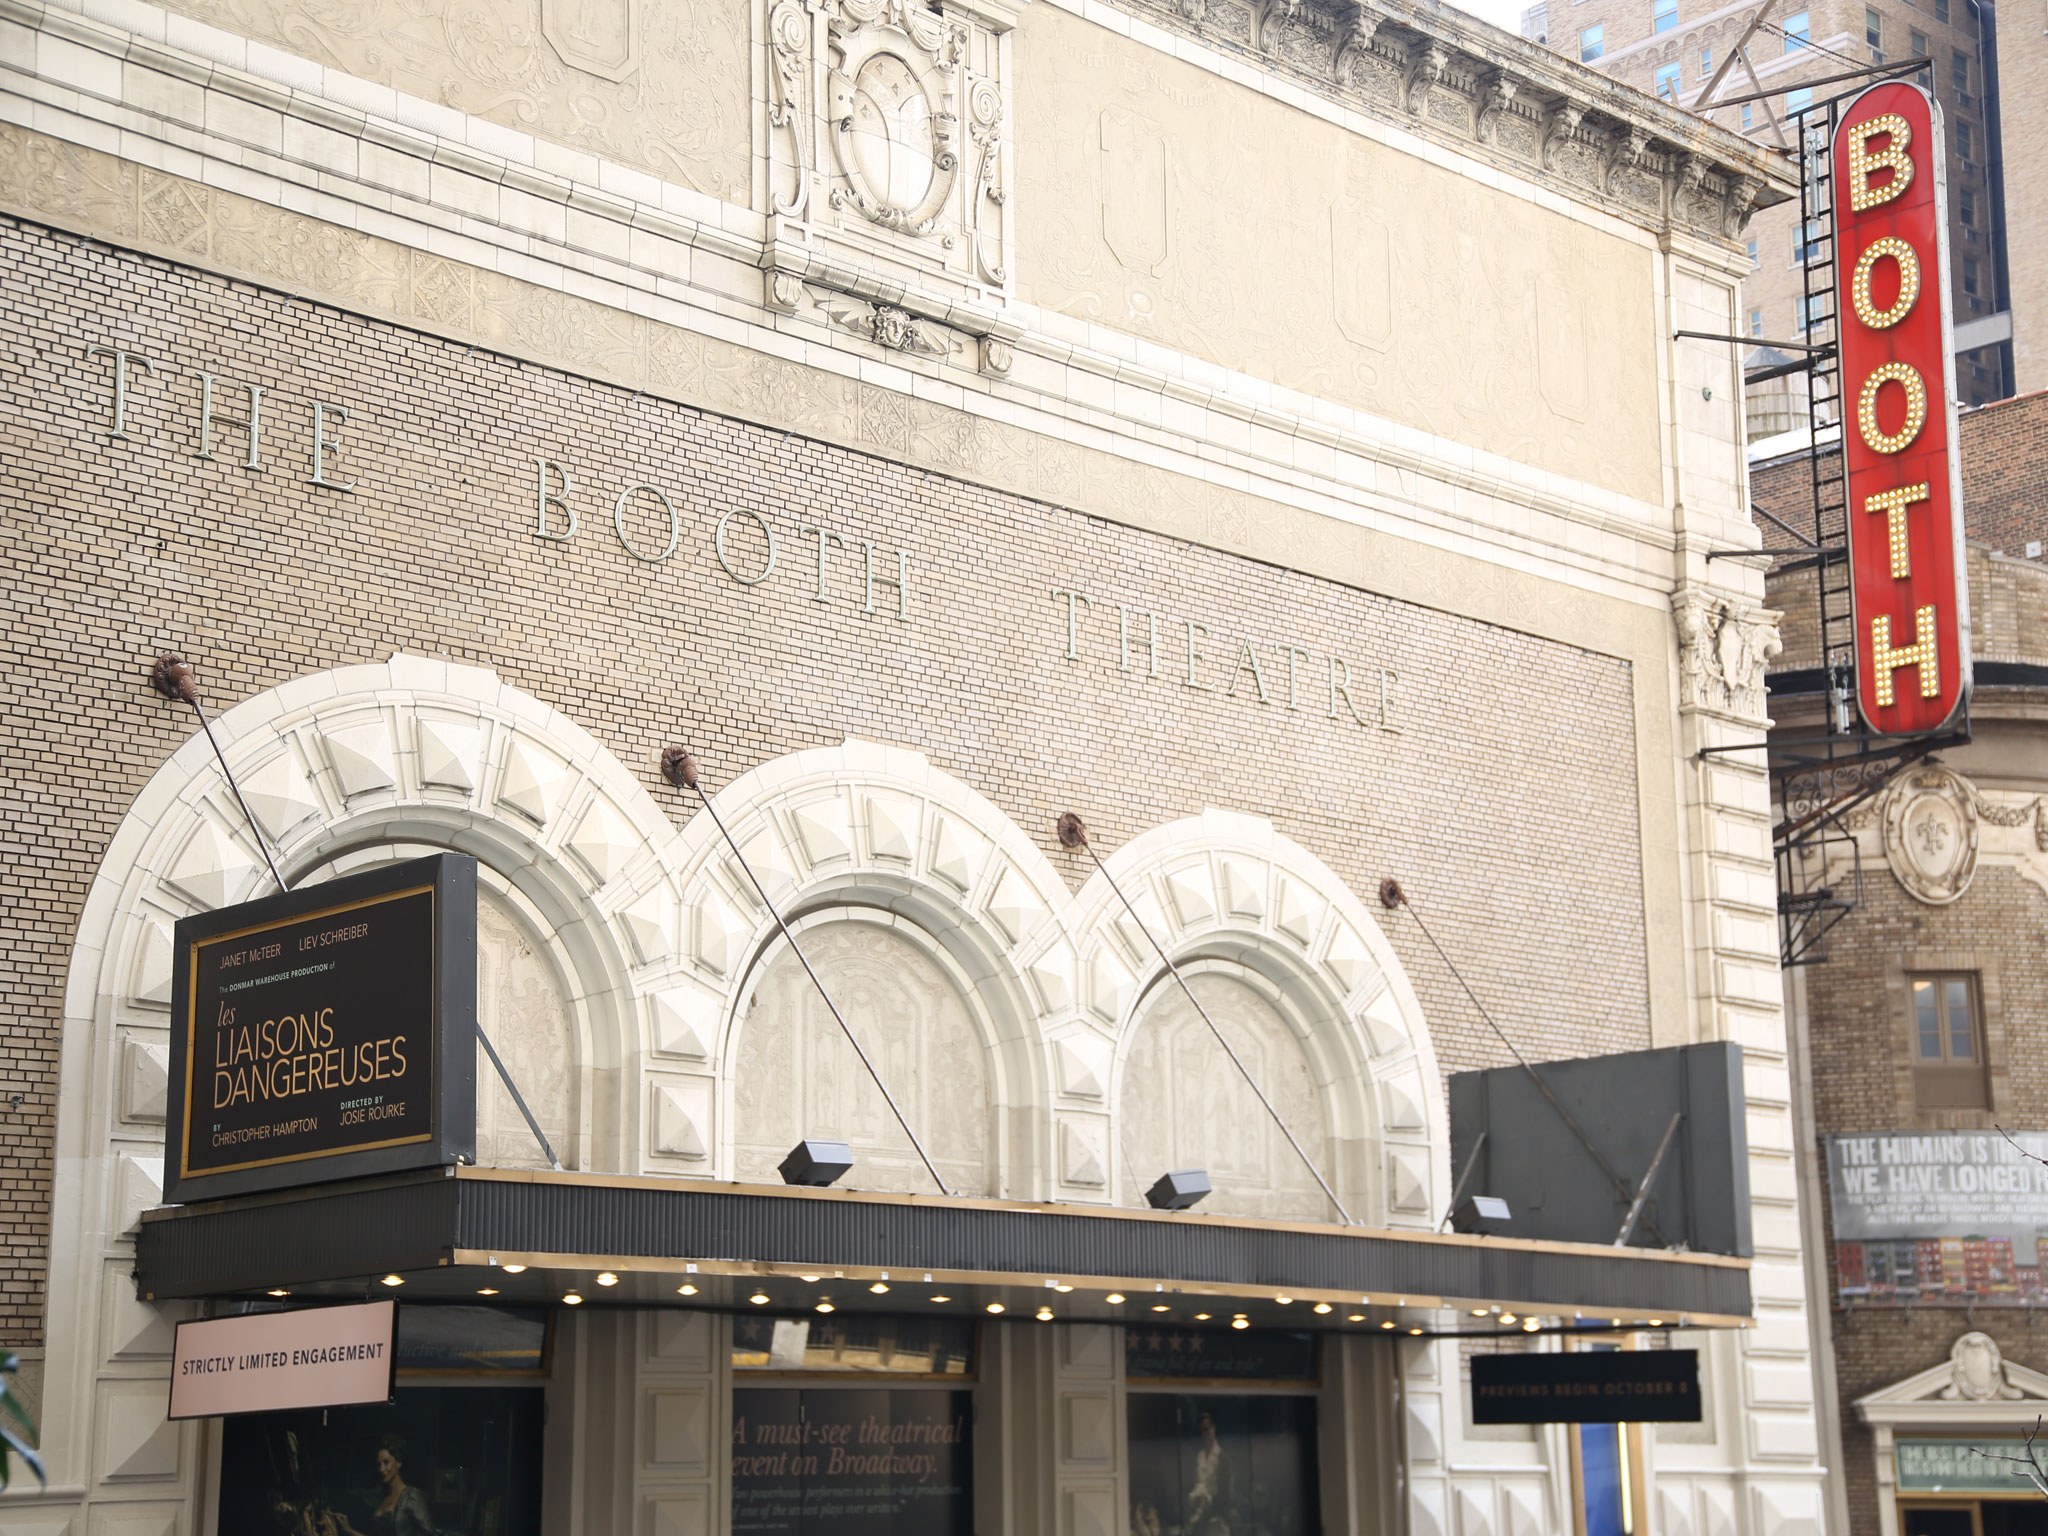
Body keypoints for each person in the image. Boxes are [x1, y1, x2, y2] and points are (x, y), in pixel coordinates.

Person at [328, 1436, 442, 1536]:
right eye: (379, 1464)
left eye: (386, 1462)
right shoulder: (383, 1498)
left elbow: (430, 1533)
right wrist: (348, 1530)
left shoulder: (412, 1497)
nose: (382, 1469)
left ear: (398, 1462)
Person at [1186, 1412, 1231, 1536]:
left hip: (1216, 1520)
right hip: (1199, 1519)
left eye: (1206, 1429)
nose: (1204, 1434)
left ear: (1213, 1429)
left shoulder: (1223, 1458)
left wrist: (1211, 1506)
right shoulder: (1198, 1457)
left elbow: (1225, 1493)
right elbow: (1194, 1484)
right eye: (1201, 1431)